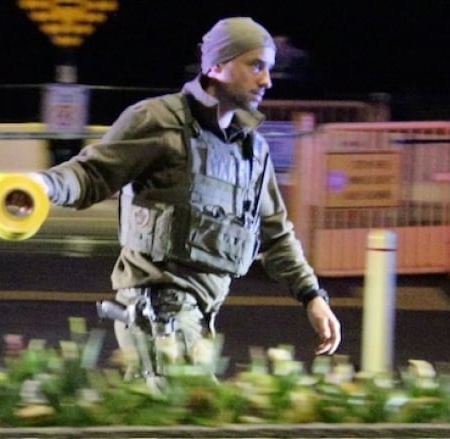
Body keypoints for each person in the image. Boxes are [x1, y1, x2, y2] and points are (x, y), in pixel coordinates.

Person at [21, 17, 341, 382]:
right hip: (160, 310)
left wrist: (312, 296)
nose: (266, 80)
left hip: (201, 312)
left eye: (268, 68)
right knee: (194, 413)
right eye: (255, 66)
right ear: (217, 65)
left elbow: (275, 232)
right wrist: (41, 185)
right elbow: (91, 174)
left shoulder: (253, 149)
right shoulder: (159, 121)